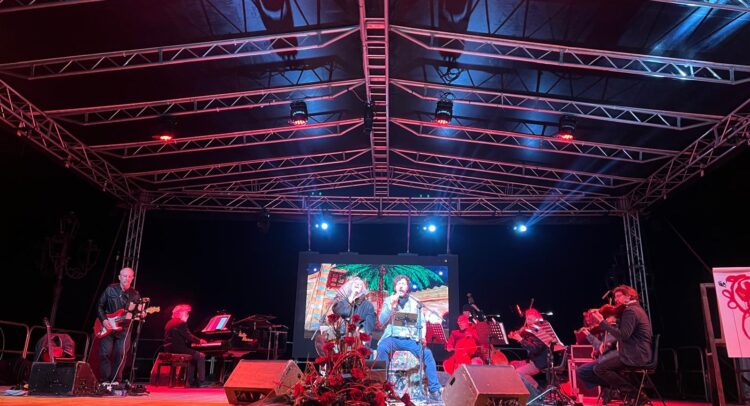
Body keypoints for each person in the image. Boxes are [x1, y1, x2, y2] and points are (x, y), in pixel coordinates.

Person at [375, 275, 442, 402]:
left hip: (410, 338)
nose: (401, 286)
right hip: (392, 337)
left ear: (407, 287)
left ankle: (434, 389)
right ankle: (382, 387)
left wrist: (422, 337)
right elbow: (382, 321)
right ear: (395, 287)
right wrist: (391, 306)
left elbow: (421, 322)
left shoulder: (415, 302)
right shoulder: (388, 300)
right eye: (399, 283)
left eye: (404, 284)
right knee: (382, 347)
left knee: (427, 354)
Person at [591, 285, 653, 402]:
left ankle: (635, 394)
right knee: (607, 367)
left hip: (635, 355)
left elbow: (623, 335)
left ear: (629, 296)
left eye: (619, 296)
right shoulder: (636, 309)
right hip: (638, 353)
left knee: (600, 369)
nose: (616, 299)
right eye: (615, 297)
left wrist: (602, 322)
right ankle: (632, 396)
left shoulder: (630, 311)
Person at [96, 267, 142, 383]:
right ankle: (105, 380)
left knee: (120, 355)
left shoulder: (135, 294)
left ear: (132, 278)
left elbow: (136, 312)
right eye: (125, 276)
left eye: (130, 276)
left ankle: (116, 380)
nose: (127, 278)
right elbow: (100, 306)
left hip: (124, 329)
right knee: (104, 353)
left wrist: (141, 314)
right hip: (108, 326)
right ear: (119, 277)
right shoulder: (110, 289)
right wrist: (104, 320)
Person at [164, 304, 209, 387]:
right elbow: (188, 335)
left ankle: (189, 382)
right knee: (201, 356)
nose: (188, 316)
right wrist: (200, 341)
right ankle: (201, 382)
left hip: (169, 349)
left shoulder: (169, 322)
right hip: (179, 349)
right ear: (181, 313)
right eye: (187, 313)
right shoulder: (180, 323)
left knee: (192, 357)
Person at [508, 308, 550, 391]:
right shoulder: (531, 330)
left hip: (539, 362)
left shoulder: (540, 331)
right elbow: (527, 343)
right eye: (527, 319)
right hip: (531, 360)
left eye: (530, 319)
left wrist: (521, 339)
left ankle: (537, 389)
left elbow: (535, 349)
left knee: (519, 372)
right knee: (511, 365)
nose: (528, 322)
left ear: (537, 319)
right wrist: (514, 336)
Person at [331, 277, 376, 341]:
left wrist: (360, 330)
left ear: (362, 288)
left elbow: (369, 322)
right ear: (350, 285)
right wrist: (350, 299)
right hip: (341, 335)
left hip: (357, 337)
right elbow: (337, 311)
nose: (357, 285)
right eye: (355, 283)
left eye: (360, 284)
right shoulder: (343, 301)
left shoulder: (368, 305)